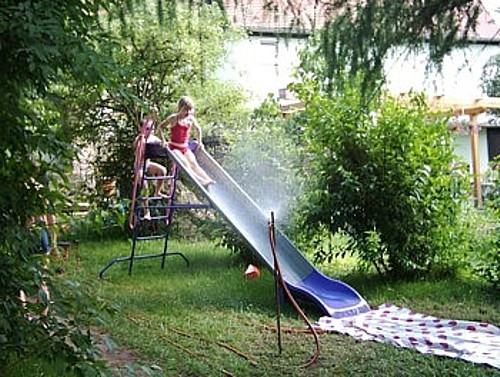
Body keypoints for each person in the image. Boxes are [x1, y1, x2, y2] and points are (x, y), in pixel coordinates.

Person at [158, 96, 215, 187]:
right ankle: (200, 181)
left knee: (193, 162)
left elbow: (198, 129)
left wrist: (200, 142)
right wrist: (163, 140)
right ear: (179, 108)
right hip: (174, 147)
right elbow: (160, 127)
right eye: (185, 110)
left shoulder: (190, 119)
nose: (187, 113)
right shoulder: (174, 118)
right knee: (185, 162)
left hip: (185, 147)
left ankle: (207, 179)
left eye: (189, 110)